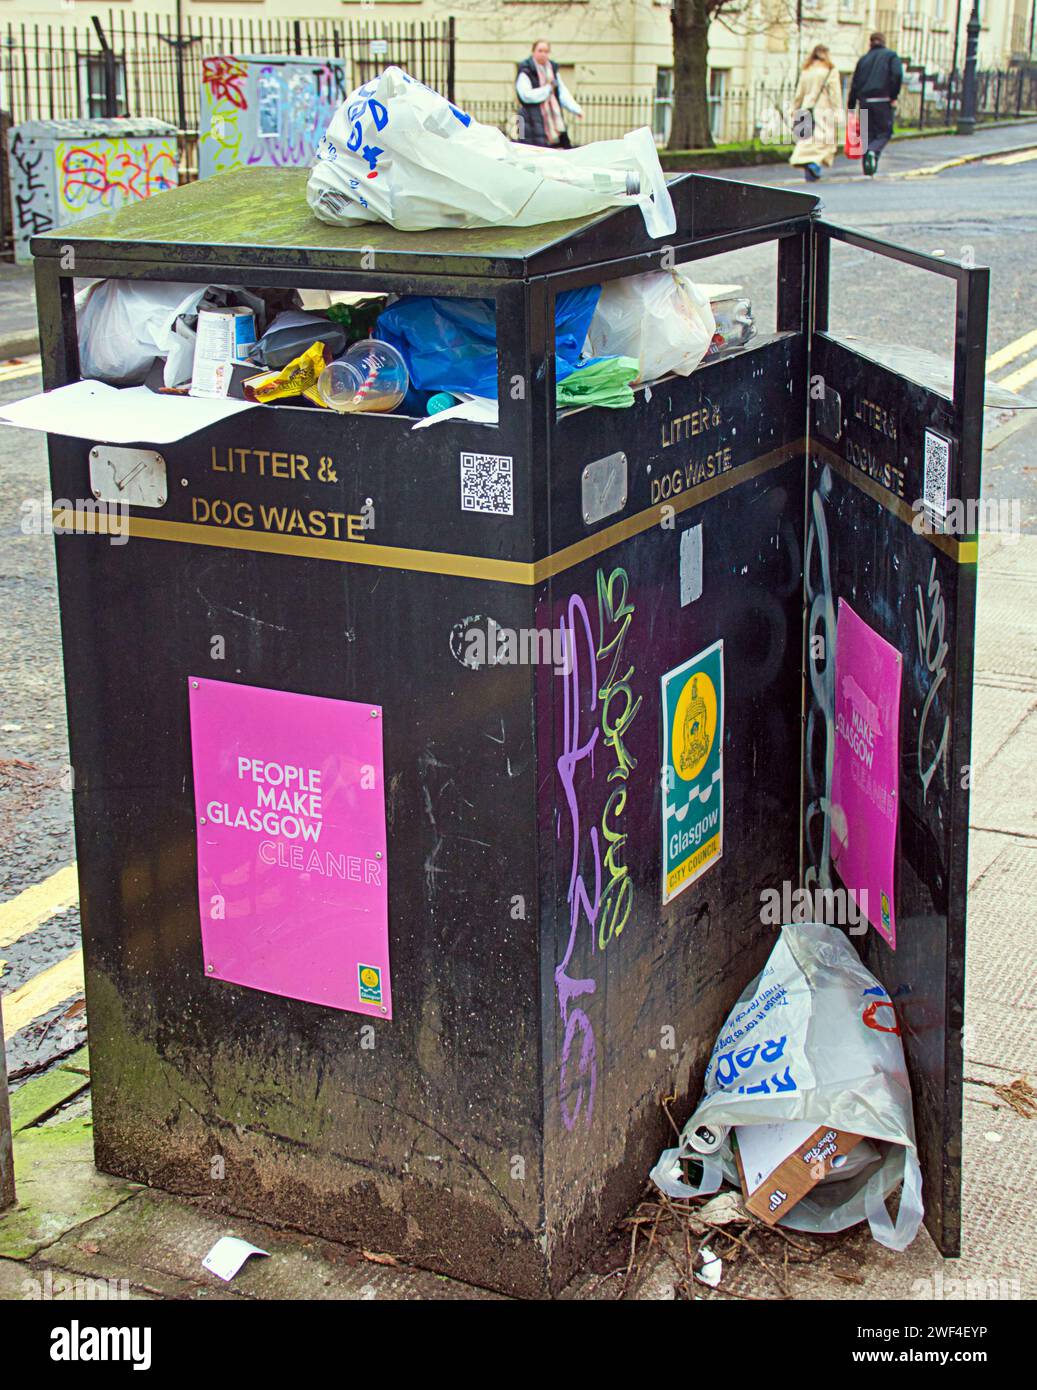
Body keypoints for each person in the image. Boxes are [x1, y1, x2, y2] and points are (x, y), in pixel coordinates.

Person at [848, 31, 903, 176]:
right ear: (884, 41)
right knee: (885, 132)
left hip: (864, 101)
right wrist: (893, 96)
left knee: (867, 134)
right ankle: (873, 152)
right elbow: (897, 75)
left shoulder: (863, 60)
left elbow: (855, 83)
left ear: (870, 42)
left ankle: (868, 168)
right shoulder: (891, 56)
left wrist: (851, 105)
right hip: (882, 100)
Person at [788, 45, 842, 182]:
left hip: (807, 108)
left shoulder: (806, 70)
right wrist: (837, 111)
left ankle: (807, 164)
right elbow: (835, 94)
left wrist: (794, 109)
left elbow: (799, 93)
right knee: (825, 141)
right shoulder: (830, 70)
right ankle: (814, 164)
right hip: (824, 109)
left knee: (807, 140)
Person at [515, 39, 583, 148]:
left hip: (553, 122)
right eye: (540, 50)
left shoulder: (553, 70)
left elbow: (562, 92)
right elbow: (526, 95)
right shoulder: (526, 70)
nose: (543, 54)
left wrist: (576, 109)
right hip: (529, 121)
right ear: (533, 52)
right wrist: (547, 89)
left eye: (546, 51)